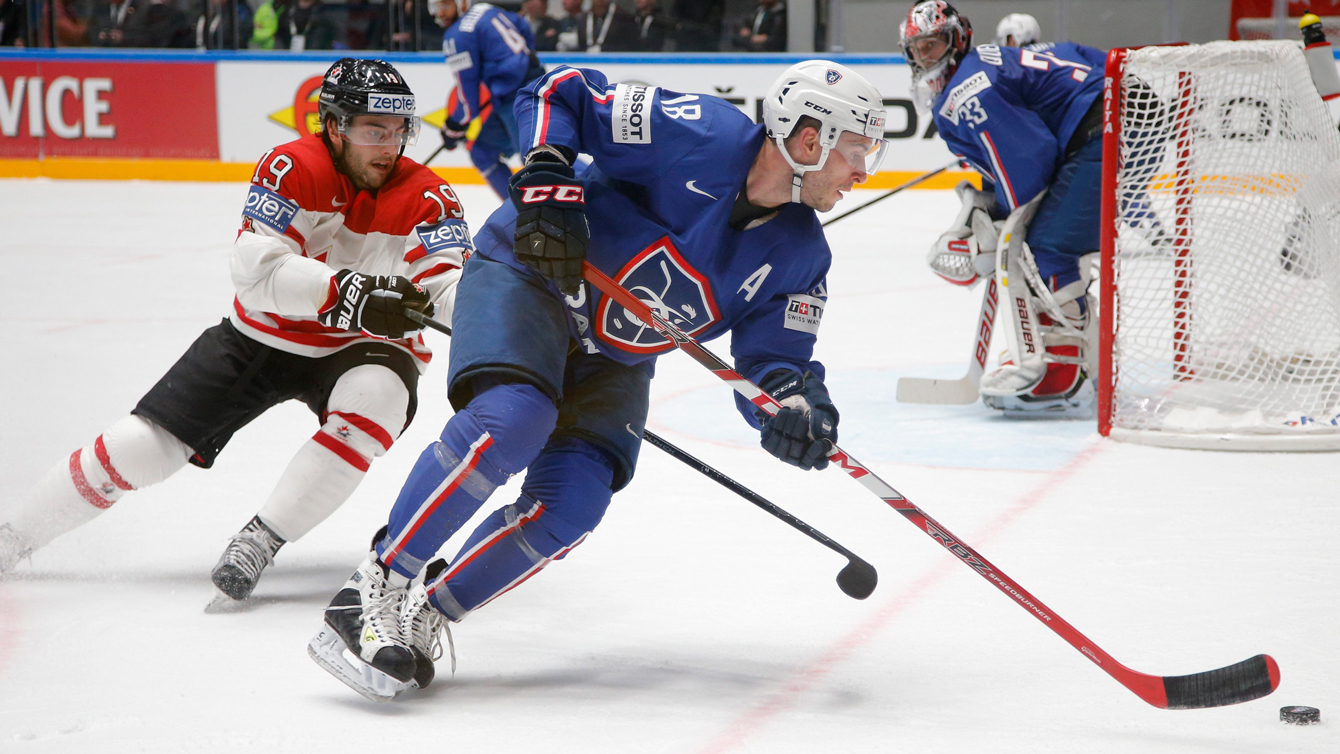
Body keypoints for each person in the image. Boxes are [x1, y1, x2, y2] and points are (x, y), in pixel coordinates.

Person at [306, 59, 889, 699]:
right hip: (533, 280)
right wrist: (551, 171)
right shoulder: (700, 133)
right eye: (856, 151)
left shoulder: (803, 254)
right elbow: (564, 90)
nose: (863, 171)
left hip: (617, 352)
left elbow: (777, 364)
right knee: (514, 421)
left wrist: (796, 411)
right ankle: (376, 585)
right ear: (810, 139)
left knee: (573, 506)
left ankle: (429, 614)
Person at [0, 59, 471, 606]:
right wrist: (348, 292)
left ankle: (261, 538)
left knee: (379, 399)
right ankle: (13, 538)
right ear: (335, 126)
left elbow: (449, 287)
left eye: (398, 131)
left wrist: (508, 319)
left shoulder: (430, 195)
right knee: (139, 447)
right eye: (373, 131)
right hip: (262, 337)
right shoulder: (290, 166)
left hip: (360, 348)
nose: (389, 146)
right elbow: (256, 272)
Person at [901, 0, 1106, 415]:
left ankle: (1057, 372)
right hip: (1115, 119)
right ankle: (1090, 356)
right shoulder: (985, 66)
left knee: (1045, 247)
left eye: (935, 45)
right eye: (919, 50)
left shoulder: (966, 88)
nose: (927, 57)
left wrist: (1004, 224)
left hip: (1105, 131)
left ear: (958, 40)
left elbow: (1029, 159)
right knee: (1044, 239)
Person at [437, 0, 545, 199]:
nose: (440, 12)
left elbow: (467, 88)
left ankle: (594, 195)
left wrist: (455, 125)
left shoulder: (456, 35)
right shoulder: (486, 9)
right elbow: (523, 27)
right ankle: (518, 210)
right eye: (437, 6)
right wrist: (521, 63)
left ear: (461, 4)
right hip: (525, 88)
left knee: (540, 157)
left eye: (445, 5)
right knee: (482, 151)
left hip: (519, 98)